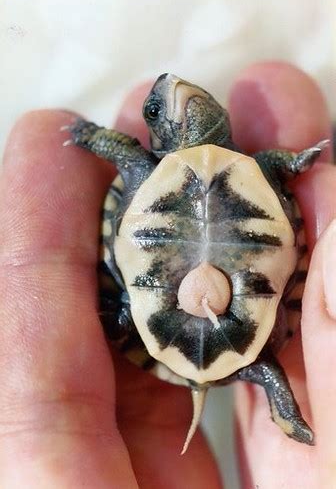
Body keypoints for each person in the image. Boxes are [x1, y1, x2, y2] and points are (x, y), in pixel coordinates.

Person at [0, 61, 334, 488]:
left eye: (154, 110)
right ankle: (286, 415)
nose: (174, 92)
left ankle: (287, 418)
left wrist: (92, 139)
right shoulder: (260, 168)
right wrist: (293, 163)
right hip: (231, 287)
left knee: (241, 355)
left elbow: (123, 150)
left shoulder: (144, 170)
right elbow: (274, 166)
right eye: (156, 110)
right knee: (261, 364)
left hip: (153, 291)